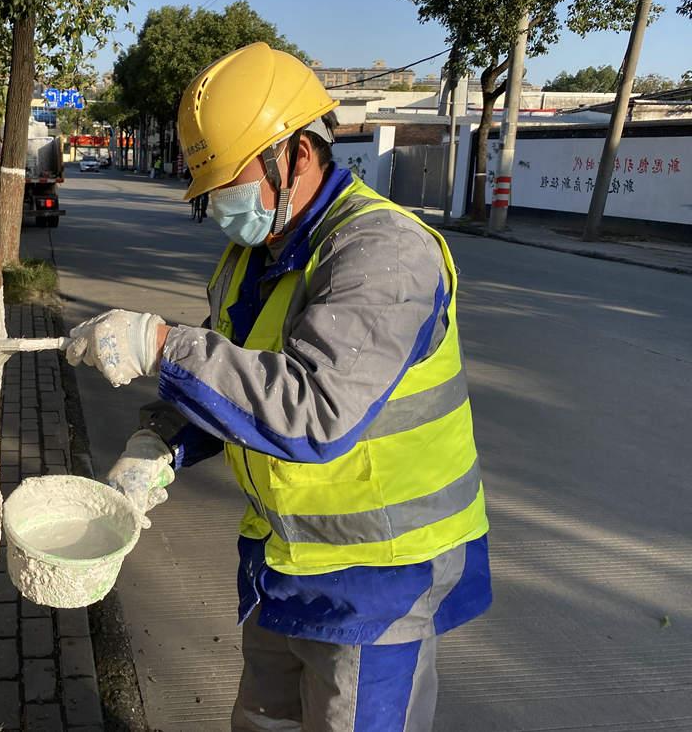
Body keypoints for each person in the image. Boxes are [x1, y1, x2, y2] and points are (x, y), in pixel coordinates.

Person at [65, 42, 491, 731]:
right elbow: (237, 374)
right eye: (211, 193)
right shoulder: (255, 253)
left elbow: (315, 410)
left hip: (379, 580)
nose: (223, 207)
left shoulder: (382, 253)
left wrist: (163, 345)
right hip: (283, 563)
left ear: (296, 153)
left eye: (232, 183)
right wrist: (162, 442)